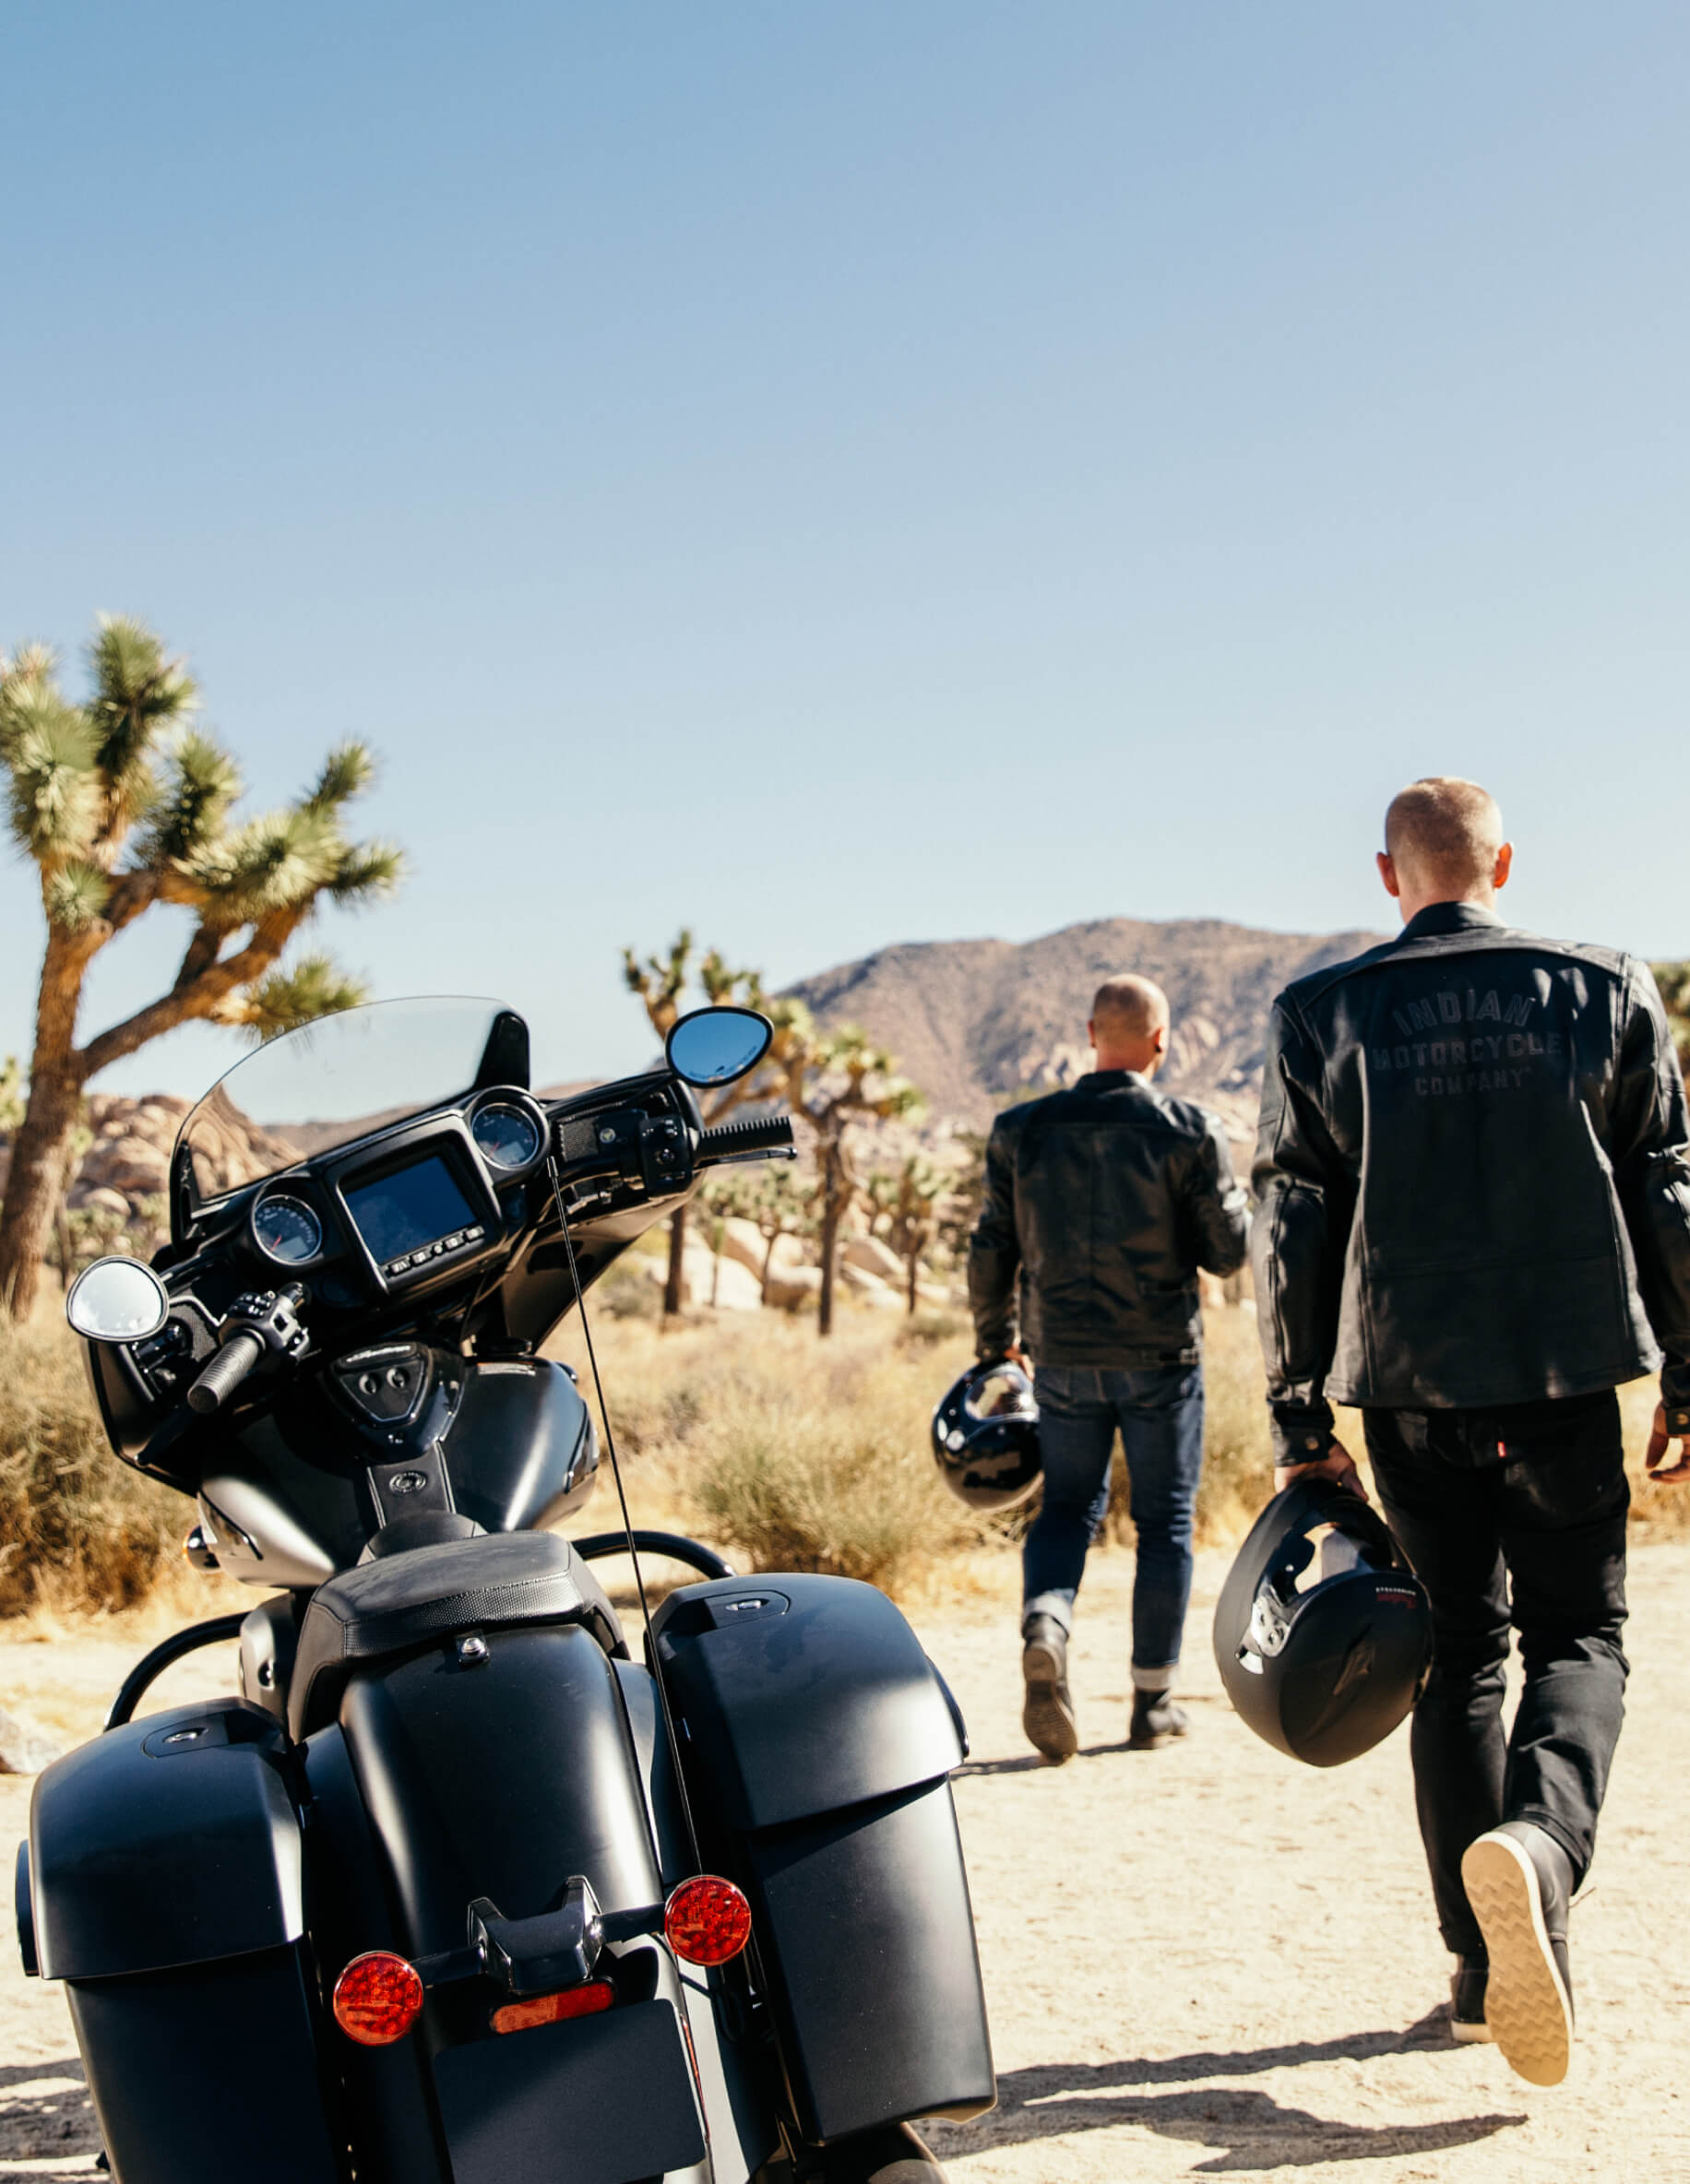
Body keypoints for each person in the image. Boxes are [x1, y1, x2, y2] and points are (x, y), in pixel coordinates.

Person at [1252, 776, 1690, 2085]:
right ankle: (1544, 1854)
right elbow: (1670, 1182)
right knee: (1581, 1633)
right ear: (1505, 860)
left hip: (1406, 1388)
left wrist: (1295, 1410)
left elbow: (1293, 1220)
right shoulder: (1606, 988)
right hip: (1560, 1378)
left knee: (1456, 1656)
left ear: (1393, 878)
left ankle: (1472, 1964)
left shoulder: (1320, 1013)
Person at [969, 974, 1250, 1762]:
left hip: (1059, 1357)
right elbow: (1228, 1256)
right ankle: (1153, 1703)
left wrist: (997, 1345)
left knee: (1065, 1511)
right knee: (1163, 1524)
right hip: (1162, 1356)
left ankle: (1046, 1624)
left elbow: (991, 1244)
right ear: (1160, 1041)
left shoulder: (1021, 1129)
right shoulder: (1189, 1129)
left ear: (1091, 1032)